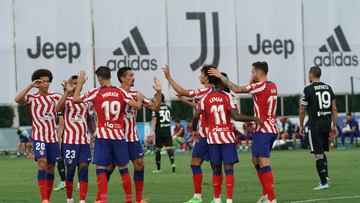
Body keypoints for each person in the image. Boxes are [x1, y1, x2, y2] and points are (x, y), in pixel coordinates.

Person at [209, 61, 278, 203]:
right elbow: (254, 90)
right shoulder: (272, 85)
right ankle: (266, 194)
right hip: (272, 129)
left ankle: (271, 198)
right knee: (255, 160)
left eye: (253, 72)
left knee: (264, 162)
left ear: (258, 73)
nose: (251, 74)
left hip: (263, 129)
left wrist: (220, 76)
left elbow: (236, 89)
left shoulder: (259, 86)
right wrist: (252, 81)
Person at [73, 67, 143, 203]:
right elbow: (137, 106)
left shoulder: (95, 92)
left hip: (103, 136)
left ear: (99, 78)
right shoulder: (120, 92)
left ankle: (103, 200)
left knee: (101, 168)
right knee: (123, 168)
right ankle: (129, 200)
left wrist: (80, 84)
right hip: (118, 136)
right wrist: (139, 100)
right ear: (110, 76)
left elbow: (75, 99)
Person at [192, 75, 261, 203]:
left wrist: (194, 129)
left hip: (213, 139)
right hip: (227, 138)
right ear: (221, 83)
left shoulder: (205, 98)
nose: (226, 83)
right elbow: (236, 116)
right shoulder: (228, 96)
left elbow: (196, 115)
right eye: (225, 81)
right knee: (228, 169)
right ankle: (229, 200)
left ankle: (217, 199)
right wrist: (255, 118)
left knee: (216, 169)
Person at [163, 65, 214, 203]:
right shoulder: (214, 91)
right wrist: (186, 102)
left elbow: (182, 91)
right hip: (210, 134)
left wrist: (168, 77)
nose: (199, 76)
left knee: (199, 164)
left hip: (207, 135)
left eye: (201, 74)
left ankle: (200, 197)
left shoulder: (205, 91)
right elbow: (200, 107)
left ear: (207, 77)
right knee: (206, 164)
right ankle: (215, 198)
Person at [114, 66, 162, 203]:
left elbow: (155, 107)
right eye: (130, 75)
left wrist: (158, 92)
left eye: (133, 75)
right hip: (117, 137)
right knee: (110, 167)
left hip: (132, 137)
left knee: (140, 164)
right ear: (122, 78)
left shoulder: (136, 94)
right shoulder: (115, 93)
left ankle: (139, 199)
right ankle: (100, 198)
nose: (133, 77)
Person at [15, 69, 62, 203]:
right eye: (42, 82)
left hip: (52, 138)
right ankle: (44, 199)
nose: (46, 84)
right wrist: (30, 85)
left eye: (48, 81)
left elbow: (64, 104)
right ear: (37, 83)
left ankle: (48, 197)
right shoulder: (32, 98)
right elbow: (17, 99)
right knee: (42, 163)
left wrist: (68, 91)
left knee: (51, 167)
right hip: (39, 137)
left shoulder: (55, 97)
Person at [56, 75, 95, 203]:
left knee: (84, 168)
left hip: (84, 141)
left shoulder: (86, 101)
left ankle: (82, 200)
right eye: (74, 83)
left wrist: (94, 133)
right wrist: (67, 91)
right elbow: (57, 108)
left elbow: (88, 118)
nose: (78, 85)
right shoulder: (66, 101)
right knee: (71, 169)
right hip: (70, 142)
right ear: (69, 84)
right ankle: (69, 199)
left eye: (79, 83)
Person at [299, 66, 338, 190]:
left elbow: (302, 109)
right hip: (326, 124)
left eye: (308, 75)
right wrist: (334, 126)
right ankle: (325, 176)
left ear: (311, 75)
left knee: (318, 154)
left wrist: (300, 125)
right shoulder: (328, 88)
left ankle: (323, 183)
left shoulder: (308, 89)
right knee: (321, 151)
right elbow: (334, 109)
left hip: (315, 125)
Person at [151, 93, 176, 173]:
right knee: (169, 148)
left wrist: (152, 131)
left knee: (158, 149)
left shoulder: (156, 108)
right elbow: (170, 118)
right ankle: (173, 164)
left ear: (158, 99)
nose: (154, 100)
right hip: (167, 131)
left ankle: (158, 169)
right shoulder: (168, 107)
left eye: (155, 98)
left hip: (159, 131)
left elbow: (154, 119)